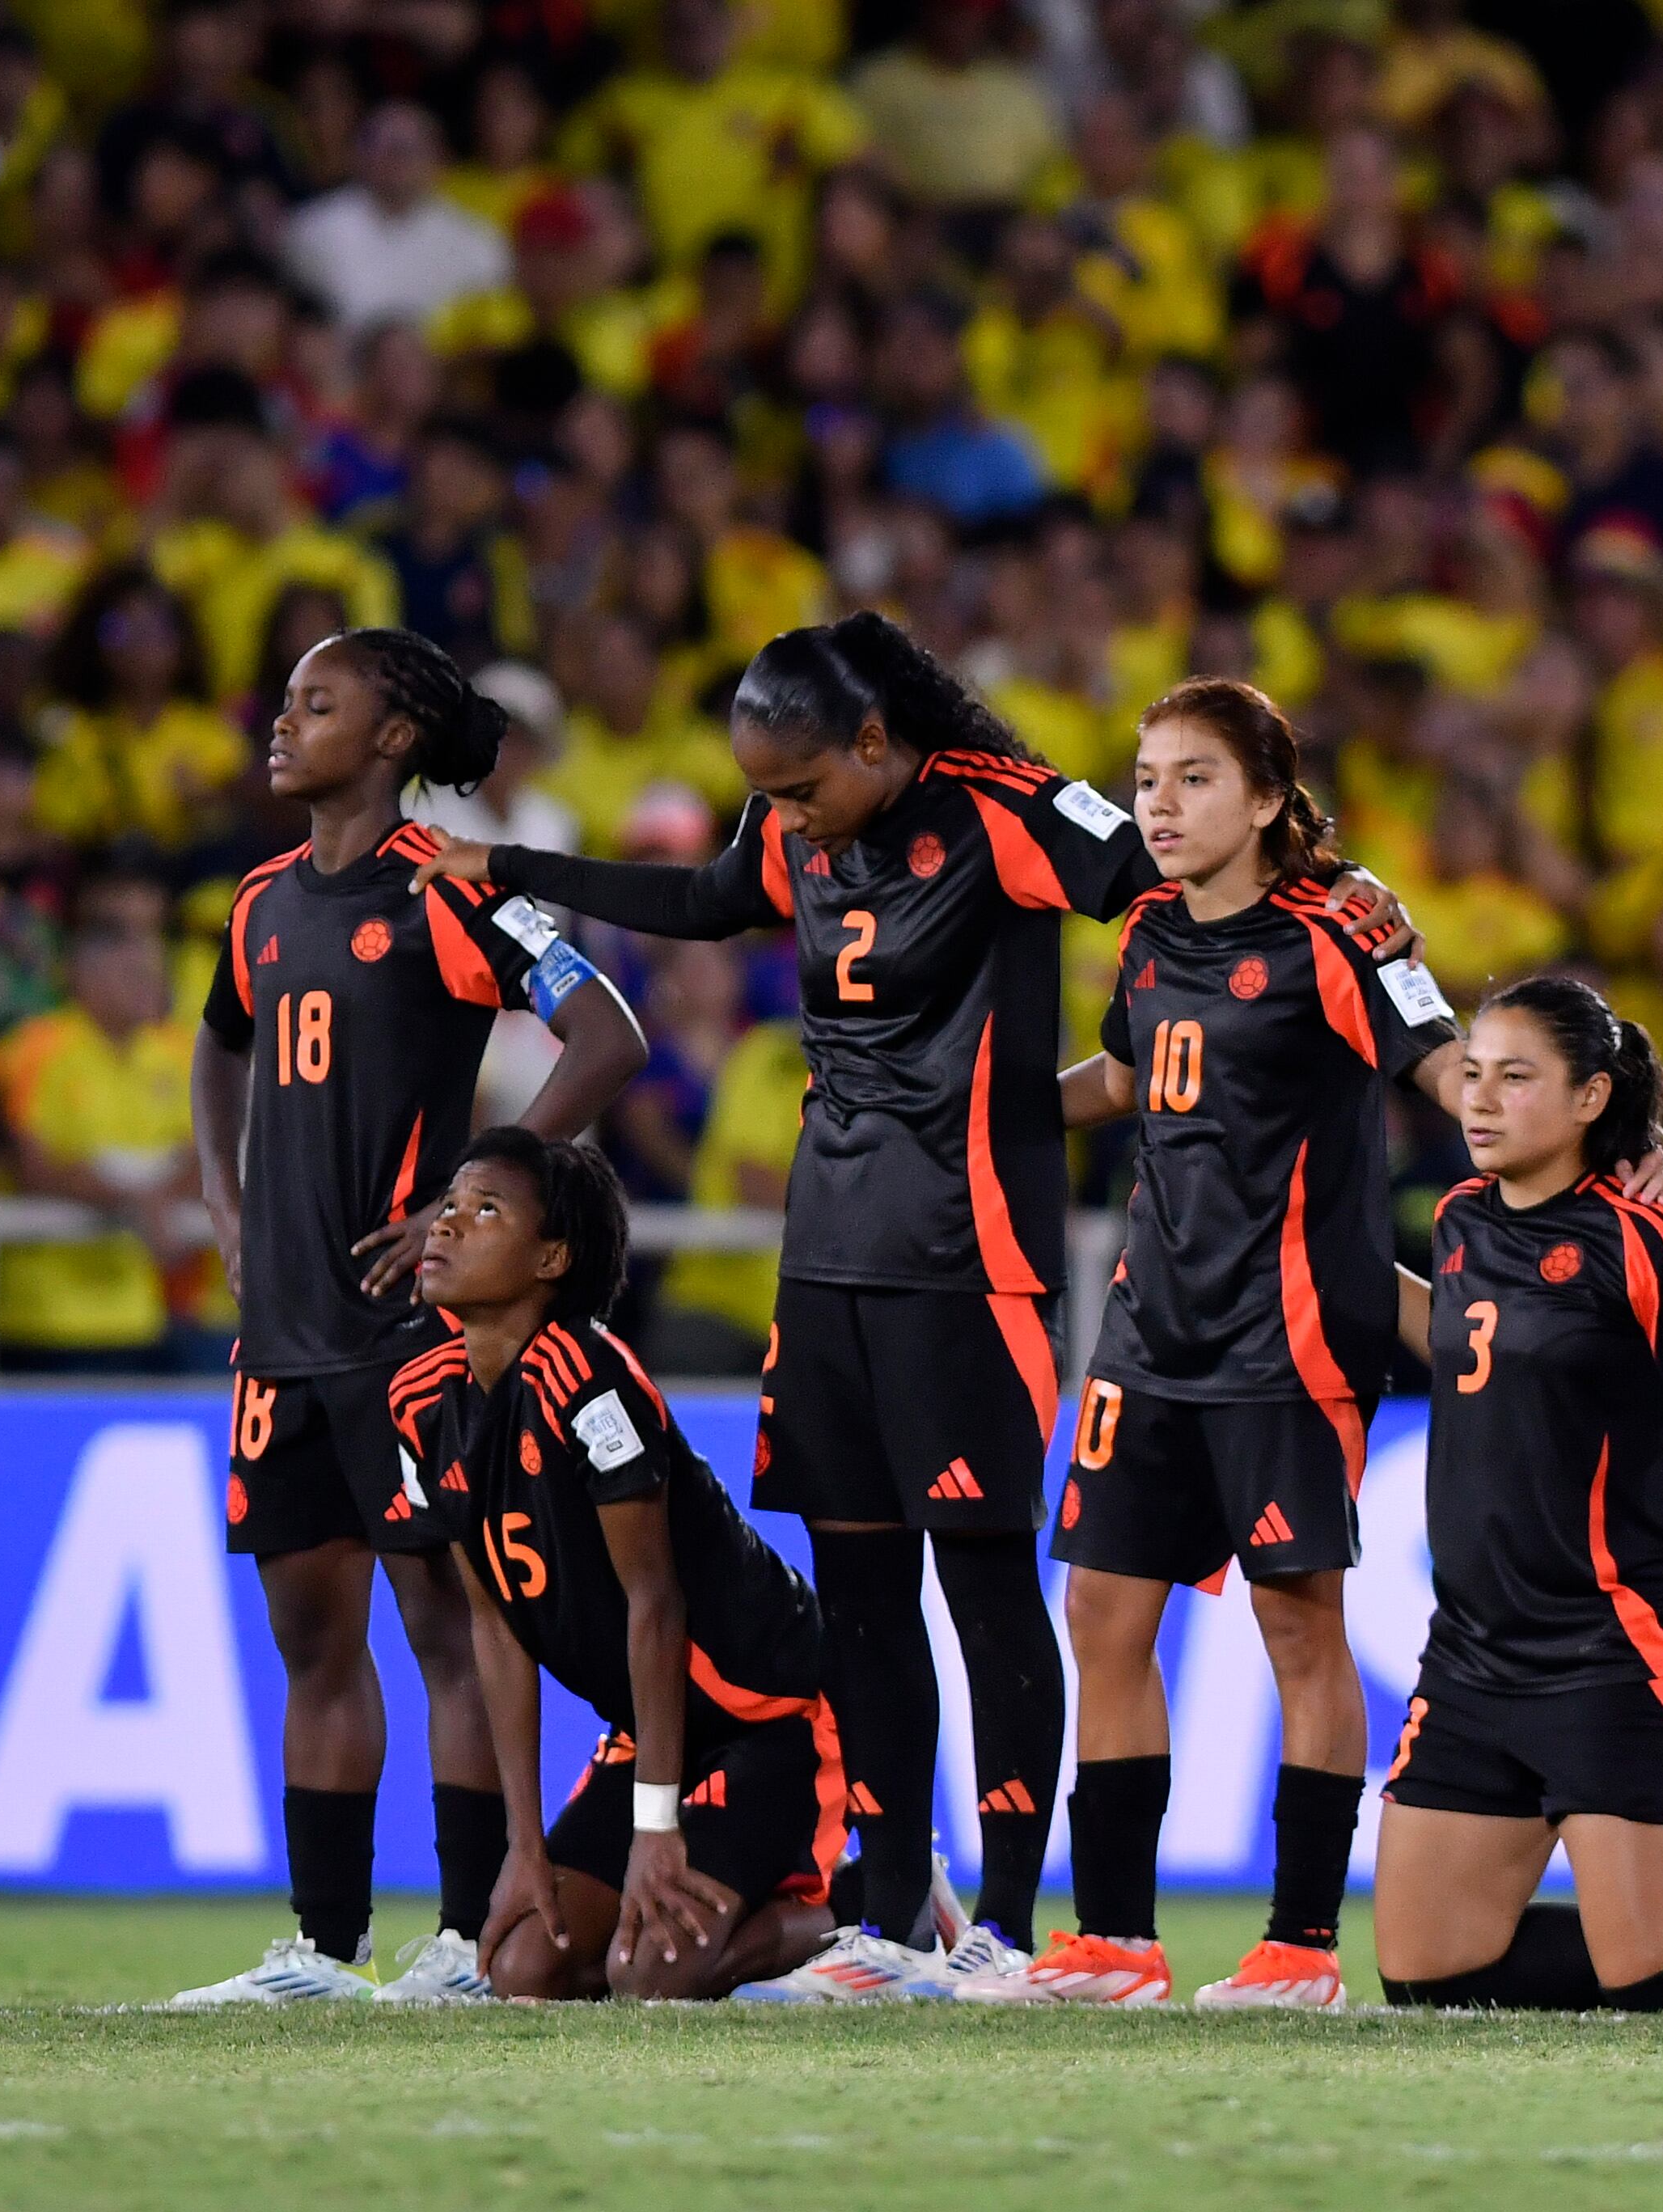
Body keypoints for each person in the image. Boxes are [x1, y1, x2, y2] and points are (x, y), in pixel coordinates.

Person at [427, 617, 1401, 1998]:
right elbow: (705, 901)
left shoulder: (1001, 814)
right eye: (770, 796)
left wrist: (1347, 890)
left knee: (990, 1587)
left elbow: (1170, 868)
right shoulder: (794, 833)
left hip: (972, 1259)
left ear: (878, 743)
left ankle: (1005, 1922)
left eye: (808, 788)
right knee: (864, 1593)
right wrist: (513, 866)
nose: (791, 821)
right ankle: (889, 1915)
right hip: (827, 1259)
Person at [971, 678, 1464, 2013]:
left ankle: (1302, 1945)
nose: (1160, 805)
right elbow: (1131, 1080)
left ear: (1263, 799)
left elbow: (1450, 1074)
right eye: (1146, 779)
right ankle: (1116, 1940)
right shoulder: (1141, 933)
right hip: (1150, 1333)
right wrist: (976, 1112)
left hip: (1288, 1337)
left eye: (1193, 778)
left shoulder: (1334, 936)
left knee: (1298, 1632)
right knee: (1102, 1612)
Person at [171, 629, 647, 2008]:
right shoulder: (260, 903)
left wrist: (471, 1202)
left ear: (390, 740)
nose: (283, 722)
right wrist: (224, 1195)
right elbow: (220, 1042)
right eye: (284, 701)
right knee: (313, 1640)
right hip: (286, 1336)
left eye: (317, 704)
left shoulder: (448, 893)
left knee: (453, 1630)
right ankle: (322, 1951)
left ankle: (463, 1937)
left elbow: (607, 1033)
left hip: (410, 1343)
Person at [406, 1129, 844, 2002]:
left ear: (552, 1257)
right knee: (526, 1968)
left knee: (653, 1974)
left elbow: (656, 1603)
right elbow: (494, 1624)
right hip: (657, 1730)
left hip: (771, 1715)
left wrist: (655, 1827)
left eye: (486, 1210)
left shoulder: (590, 1377)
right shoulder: (421, 1405)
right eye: (450, 1204)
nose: (447, 1224)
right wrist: (523, 1848)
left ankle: (878, 1912)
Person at [1371, 975, 1663, 2013]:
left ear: (1591, 1100)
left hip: (1610, 1646)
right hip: (1473, 1652)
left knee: (1661, 1983)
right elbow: (1465, 1342)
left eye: (1516, 1078)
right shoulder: (1461, 1217)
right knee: (1426, 1974)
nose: (1479, 1099)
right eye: (1473, 1075)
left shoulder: (1650, 1236)